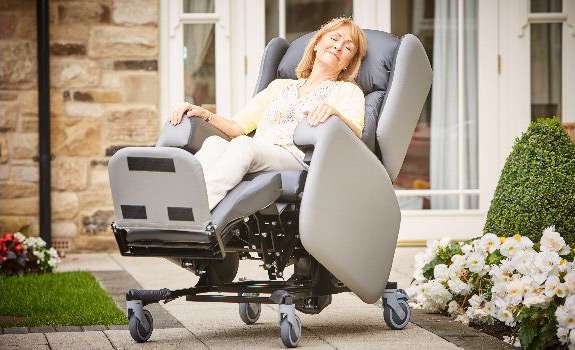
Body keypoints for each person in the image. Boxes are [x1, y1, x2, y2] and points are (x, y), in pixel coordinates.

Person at [169, 17, 367, 210]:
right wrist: (206, 115)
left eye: (348, 47)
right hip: (260, 151)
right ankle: (172, 206)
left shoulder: (348, 91)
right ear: (317, 44)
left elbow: (356, 135)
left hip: (299, 157)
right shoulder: (279, 87)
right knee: (214, 144)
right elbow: (237, 128)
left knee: (244, 146)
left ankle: (194, 214)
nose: (339, 46)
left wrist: (335, 116)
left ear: (348, 64)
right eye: (334, 38)